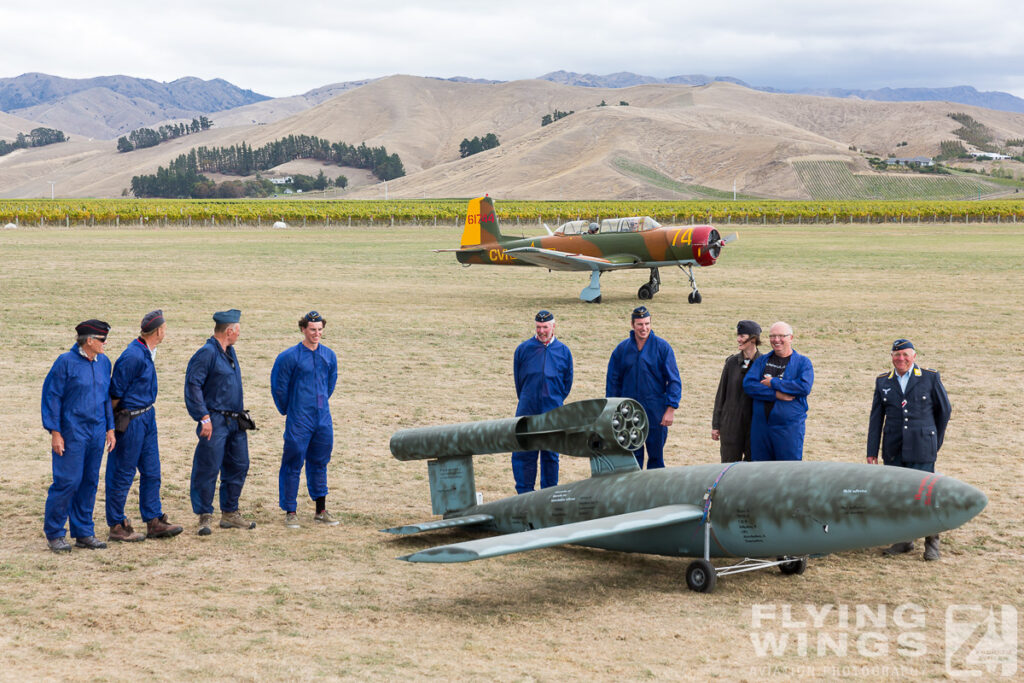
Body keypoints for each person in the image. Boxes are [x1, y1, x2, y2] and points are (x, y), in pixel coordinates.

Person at [867, 339, 952, 561]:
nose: (901, 359)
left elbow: (944, 412)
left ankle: (931, 541)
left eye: (905, 355)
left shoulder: (930, 378)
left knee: (925, 495)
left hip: (922, 447)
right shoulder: (883, 381)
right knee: (898, 495)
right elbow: (876, 419)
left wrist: (933, 440)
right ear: (891, 357)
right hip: (894, 448)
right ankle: (904, 539)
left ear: (914, 356)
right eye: (896, 355)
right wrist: (872, 451)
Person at [105, 310, 182, 542]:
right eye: (165, 328)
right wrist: (113, 423)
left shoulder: (147, 352)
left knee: (152, 471)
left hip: (147, 417)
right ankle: (117, 524)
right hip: (132, 421)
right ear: (158, 331)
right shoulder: (133, 356)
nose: (166, 332)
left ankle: (153, 520)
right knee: (122, 472)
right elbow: (116, 393)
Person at [41, 319, 116, 553]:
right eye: (102, 340)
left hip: (96, 431)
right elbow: (52, 397)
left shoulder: (104, 362)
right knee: (68, 481)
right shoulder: (65, 363)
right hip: (72, 432)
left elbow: (106, 398)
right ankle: (54, 533)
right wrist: (55, 432)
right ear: (89, 341)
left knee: (90, 481)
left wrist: (110, 428)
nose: (106, 343)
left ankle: (84, 532)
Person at [184, 309, 256, 535]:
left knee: (239, 464)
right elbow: (193, 384)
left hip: (235, 421)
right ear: (229, 331)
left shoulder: (229, 351)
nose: (239, 335)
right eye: (238, 331)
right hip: (214, 419)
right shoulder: (206, 353)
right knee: (208, 466)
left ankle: (230, 513)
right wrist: (203, 416)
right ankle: (204, 515)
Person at [271, 311, 340, 527]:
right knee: (293, 461)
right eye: (312, 329)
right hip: (299, 418)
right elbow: (279, 387)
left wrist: (319, 404)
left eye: (320, 330)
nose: (316, 334)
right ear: (303, 329)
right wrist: (289, 410)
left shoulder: (329, 356)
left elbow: (330, 383)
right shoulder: (289, 357)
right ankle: (290, 511)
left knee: (320, 461)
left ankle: (321, 509)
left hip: (322, 417)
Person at [605, 306, 681, 469]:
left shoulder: (662, 348)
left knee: (656, 457)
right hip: (629, 411)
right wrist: (612, 410)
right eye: (640, 324)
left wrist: (670, 408)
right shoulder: (622, 350)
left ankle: (655, 493)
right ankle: (633, 493)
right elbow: (613, 382)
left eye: (647, 323)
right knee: (632, 458)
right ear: (632, 325)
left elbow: (674, 381)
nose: (644, 328)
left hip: (655, 410)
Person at [511, 310, 574, 493]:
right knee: (525, 453)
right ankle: (524, 495)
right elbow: (519, 382)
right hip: (527, 410)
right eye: (538, 327)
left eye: (545, 327)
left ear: (553, 327)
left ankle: (548, 495)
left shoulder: (563, 352)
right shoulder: (523, 350)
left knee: (550, 455)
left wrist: (553, 400)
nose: (541, 331)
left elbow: (566, 384)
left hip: (552, 412)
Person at [742, 321, 814, 461]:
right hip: (761, 428)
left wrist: (773, 382)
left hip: (788, 429)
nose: (776, 340)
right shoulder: (762, 361)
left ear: (791, 338)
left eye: (781, 336)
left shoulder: (803, 363)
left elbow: (803, 387)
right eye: (772, 336)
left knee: (788, 472)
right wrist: (776, 394)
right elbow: (749, 385)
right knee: (760, 472)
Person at [711, 320, 763, 462]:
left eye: (742, 336)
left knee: (752, 467)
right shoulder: (731, 363)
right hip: (730, 423)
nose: (738, 339)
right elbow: (721, 395)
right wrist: (716, 425)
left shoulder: (763, 363)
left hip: (754, 424)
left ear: (753, 339)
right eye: (738, 335)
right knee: (728, 465)